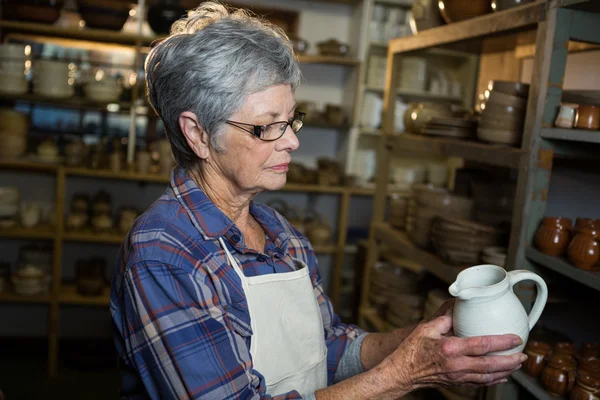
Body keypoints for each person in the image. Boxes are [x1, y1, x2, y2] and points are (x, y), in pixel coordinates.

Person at [110, 2, 527, 399]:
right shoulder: (165, 255)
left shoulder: (279, 233)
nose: (292, 141)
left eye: (291, 120)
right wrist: (407, 373)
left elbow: (327, 350)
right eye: (266, 127)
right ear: (198, 134)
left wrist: (428, 335)